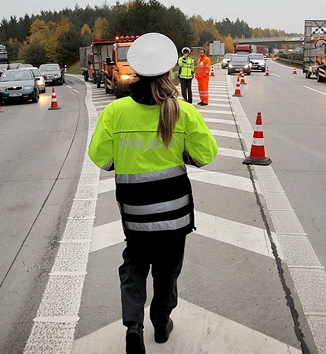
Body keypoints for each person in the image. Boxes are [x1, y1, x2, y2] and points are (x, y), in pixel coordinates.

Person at [88, 32, 218, 354]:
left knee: (133, 266)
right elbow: (206, 155)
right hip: (174, 217)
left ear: (136, 71)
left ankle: (133, 325)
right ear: (169, 71)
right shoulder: (183, 112)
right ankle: (161, 322)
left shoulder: (115, 113)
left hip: (135, 216)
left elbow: (100, 158)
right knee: (166, 272)